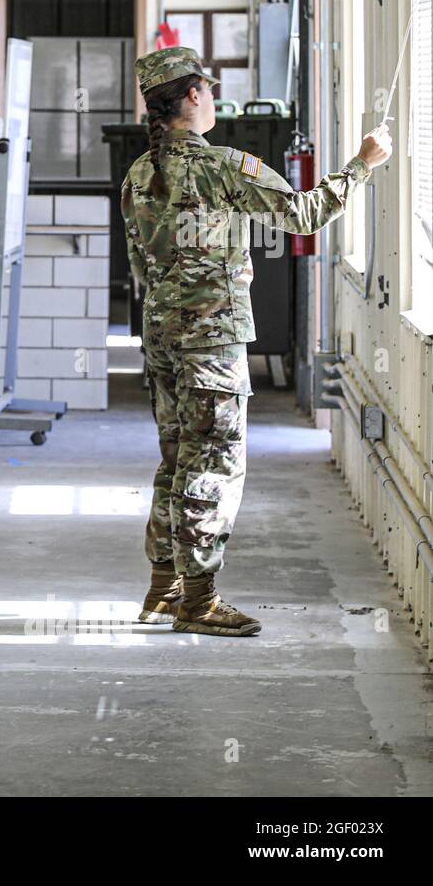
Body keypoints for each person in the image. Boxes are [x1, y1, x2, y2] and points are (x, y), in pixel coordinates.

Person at [121, 46, 391, 636]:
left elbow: (142, 263)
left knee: (176, 459)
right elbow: (301, 214)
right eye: (208, 89)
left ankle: (163, 588)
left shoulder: (139, 174)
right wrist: (362, 165)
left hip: (162, 336)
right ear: (192, 95)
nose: (213, 98)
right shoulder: (223, 166)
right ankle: (200, 601)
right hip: (212, 340)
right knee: (213, 463)